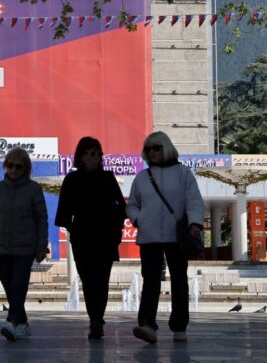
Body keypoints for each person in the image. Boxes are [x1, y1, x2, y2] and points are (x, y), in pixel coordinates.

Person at [127, 132, 204, 344]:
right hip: (149, 235)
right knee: (150, 281)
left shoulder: (183, 173)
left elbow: (194, 201)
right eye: (148, 148)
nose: (151, 152)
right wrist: (137, 219)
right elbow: (132, 204)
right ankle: (147, 325)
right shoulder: (142, 177)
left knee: (179, 281)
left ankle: (179, 327)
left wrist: (195, 224)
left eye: (156, 148)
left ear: (166, 148)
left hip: (176, 235)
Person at [55, 136, 127, 339]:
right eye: (93, 153)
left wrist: (117, 229)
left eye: (99, 154)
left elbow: (122, 206)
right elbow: (63, 213)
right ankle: (94, 317)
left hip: (106, 237)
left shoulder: (108, 178)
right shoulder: (72, 180)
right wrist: (74, 229)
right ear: (82, 156)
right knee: (88, 280)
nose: (97, 157)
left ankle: (97, 319)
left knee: (102, 280)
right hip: (83, 238)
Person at [0, 148, 48, 342]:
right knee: (10, 287)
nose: (14, 170)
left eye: (19, 167)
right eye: (10, 165)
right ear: (5, 166)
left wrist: (41, 246)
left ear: (26, 169)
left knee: (19, 284)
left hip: (25, 248)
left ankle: (12, 321)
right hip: (1, 247)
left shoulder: (34, 189)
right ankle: (23, 324)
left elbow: (41, 220)